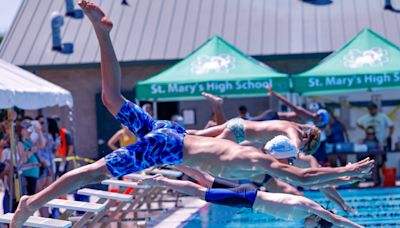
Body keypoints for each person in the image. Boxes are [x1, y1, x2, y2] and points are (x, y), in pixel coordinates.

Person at [11, 2, 374, 226]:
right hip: (170, 148)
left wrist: (344, 176)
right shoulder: (269, 159)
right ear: (284, 153)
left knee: (110, 97)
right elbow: (307, 178)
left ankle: (102, 35)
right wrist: (346, 171)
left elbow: (307, 177)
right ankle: (31, 202)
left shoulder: (252, 142)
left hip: (174, 134)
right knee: (90, 172)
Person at [138, 174, 362, 228]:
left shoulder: (304, 213)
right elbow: (336, 220)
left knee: (207, 180)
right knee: (201, 192)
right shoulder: (309, 207)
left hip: (250, 194)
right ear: (318, 220)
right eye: (314, 227)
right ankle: (160, 181)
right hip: (246, 198)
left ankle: (177, 161)